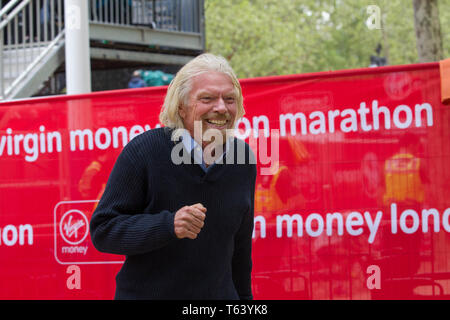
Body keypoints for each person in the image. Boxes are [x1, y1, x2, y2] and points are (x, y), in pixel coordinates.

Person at [89, 53, 257, 300]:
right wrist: (167, 225)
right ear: (181, 106)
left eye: (229, 99)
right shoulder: (145, 151)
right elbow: (103, 230)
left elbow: (240, 250)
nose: (221, 107)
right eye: (207, 98)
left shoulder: (243, 158)